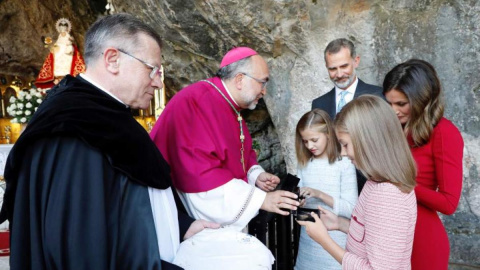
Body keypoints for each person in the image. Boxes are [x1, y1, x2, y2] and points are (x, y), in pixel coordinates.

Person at [0, 13, 218, 270]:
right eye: (153, 70)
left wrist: (182, 225)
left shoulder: (105, 116)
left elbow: (128, 200)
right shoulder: (76, 130)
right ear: (113, 60)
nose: (159, 83)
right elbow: (81, 251)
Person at [150, 46, 299, 270]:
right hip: (184, 216)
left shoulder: (228, 103)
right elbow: (200, 175)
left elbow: (239, 151)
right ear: (240, 79)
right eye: (262, 82)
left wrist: (256, 175)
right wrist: (261, 200)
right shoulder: (197, 103)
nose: (264, 91)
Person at [298, 95, 417, 269]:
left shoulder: (387, 196)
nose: (344, 153)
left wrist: (324, 240)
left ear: (367, 142)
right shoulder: (377, 181)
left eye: (345, 145)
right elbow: (372, 236)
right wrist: (340, 224)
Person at [383, 59, 463, 270]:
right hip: (389, 235)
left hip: (422, 240)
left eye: (401, 104)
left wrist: (404, 185)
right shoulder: (394, 128)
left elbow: (449, 203)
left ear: (422, 100)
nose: (394, 111)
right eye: (389, 103)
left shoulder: (444, 133)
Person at [311, 38, 383, 194]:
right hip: (333, 190)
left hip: (371, 184)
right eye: (332, 69)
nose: (339, 74)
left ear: (356, 61)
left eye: (344, 66)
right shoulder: (318, 104)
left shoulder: (378, 96)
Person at [294, 109, 357, 270]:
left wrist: (319, 194)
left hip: (337, 242)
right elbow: (302, 202)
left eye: (314, 140)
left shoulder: (344, 164)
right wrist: (299, 202)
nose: (310, 146)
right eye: (305, 141)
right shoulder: (304, 163)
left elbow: (352, 210)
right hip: (308, 242)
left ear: (328, 134)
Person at [35, 18, 86, 89]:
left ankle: (66, 76)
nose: (62, 29)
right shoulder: (60, 36)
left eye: (64, 27)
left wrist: (69, 43)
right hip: (59, 50)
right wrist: (54, 46)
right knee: (56, 59)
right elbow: (58, 42)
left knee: (68, 61)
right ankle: (58, 77)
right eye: (61, 27)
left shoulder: (67, 35)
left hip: (66, 50)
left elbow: (70, 40)